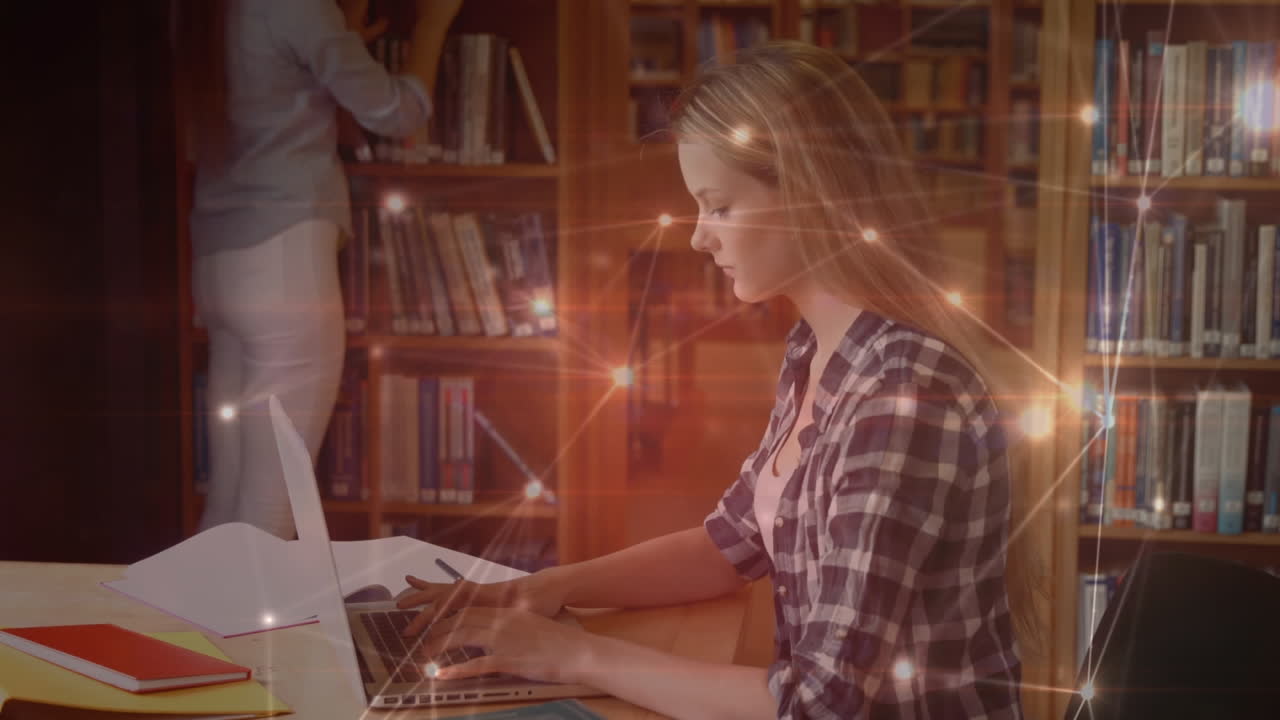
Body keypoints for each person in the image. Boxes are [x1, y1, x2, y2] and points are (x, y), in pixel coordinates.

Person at [394, 40, 1036, 719]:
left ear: (810, 193)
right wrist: (546, 590)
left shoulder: (902, 397)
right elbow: (729, 544)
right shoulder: (817, 351)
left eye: (720, 205)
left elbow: (819, 704)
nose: (699, 237)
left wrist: (570, 655)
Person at [178, 0, 462, 539]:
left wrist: (341, 36)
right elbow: (396, 115)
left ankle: (202, 622)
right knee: (272, 505)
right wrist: (432, 26)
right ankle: (251, 626)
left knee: (228, 503)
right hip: (285, 263)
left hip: (218, 261)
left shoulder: (198, 14)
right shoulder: (295, 7)